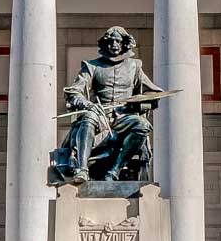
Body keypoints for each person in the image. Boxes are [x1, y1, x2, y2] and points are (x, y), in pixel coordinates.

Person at [57, 27, 166, 183]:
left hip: (124, 117)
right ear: (105, 43)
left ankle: (115, 170)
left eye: (118, 41)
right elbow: (74, 91)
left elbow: (154, 95)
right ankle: (82, 170)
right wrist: (86, 103)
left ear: (124, 44)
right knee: (88, 117)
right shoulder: (91, 66)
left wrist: (138, 105)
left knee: (142, 125)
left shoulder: (135, 67)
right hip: (99, 114)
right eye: (110, 41)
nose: (114, 44)